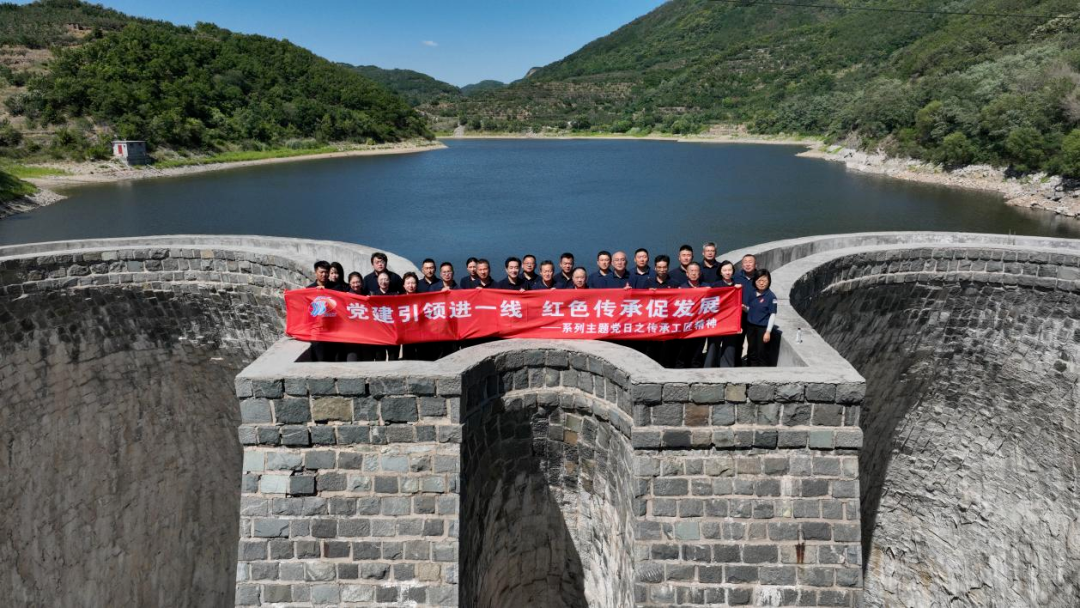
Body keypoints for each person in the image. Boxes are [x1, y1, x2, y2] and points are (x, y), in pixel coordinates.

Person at [641, 254, 679, 366]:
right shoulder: (648, 283)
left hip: (668, 325)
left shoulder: (674, 283)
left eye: (664, 267)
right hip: (652, 324)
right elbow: (641, 301)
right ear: (655, 268)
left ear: (668, 267)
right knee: (651, 353)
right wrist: (648, 294)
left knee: (666, 354)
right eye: (659, 267)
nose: (662, 270)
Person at [703, 260, 741, 368]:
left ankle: (727, 369)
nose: (727, 272)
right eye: (725, 270)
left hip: (731, 321)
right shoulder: (715, 285)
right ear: (720, 272)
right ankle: (709, 368)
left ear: (733, 271)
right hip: (717, 321)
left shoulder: (737, 286)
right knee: (713, 346)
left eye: (729, 270)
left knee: (729, 347)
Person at [744, 269, 778, 367]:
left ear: (769, 282)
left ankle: (762, 372)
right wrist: (745, 308)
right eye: (759, 280)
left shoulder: (771, 297)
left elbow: (772, 315)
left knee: (761, 352)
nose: (762, 283)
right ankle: (751, 369)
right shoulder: (752, 293)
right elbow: (750, 309)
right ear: (755, 281)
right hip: (750, 326)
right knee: (751, 350)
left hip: (762, 328)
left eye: (764, 281)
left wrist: (768, 332)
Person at [676, 262, 706, 368]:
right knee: (682, 353)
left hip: (700, 326)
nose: (694, 273)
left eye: (696, 271)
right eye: (691, 271)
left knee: (697, 353)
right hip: (686, 326)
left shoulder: (706, 288)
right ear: (687, 274)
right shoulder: (681, 289)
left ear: (700, 273)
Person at [370, 270, 400, 362]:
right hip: (379, 333)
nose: (383, 282)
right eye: (381, 279)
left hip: (393, 332)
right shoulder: (372, 295)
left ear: (389, 281)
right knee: (379, 359)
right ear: (377, 281)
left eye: (386, 279)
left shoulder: (396, 295)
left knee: (393, 358)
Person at [306, 261, 332, 361]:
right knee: (319, 360)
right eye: (321, 272)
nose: (324, 274)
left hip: (333, 330)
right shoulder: (309, 289)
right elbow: (305, 310)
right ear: (315, 272)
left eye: (326, 272)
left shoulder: (336, 287)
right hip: (317, 331)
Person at [342, 271, 370, 362]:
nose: (356, 285)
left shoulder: (368, 295)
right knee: (352, 360)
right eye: (353, 282)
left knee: (367, 360)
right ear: (349, 283)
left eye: (358, 282)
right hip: (352, 335)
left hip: (366, 334)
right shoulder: (345, 297)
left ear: (361, 282)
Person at [400, 273, 422, 360]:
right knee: (408, 357)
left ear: (417, 284)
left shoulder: (423, 297)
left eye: (413, 283)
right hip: (406, 333)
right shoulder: (399, 299)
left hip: (421, 332)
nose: (411, 286)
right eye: (408, 283)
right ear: (404, 285)